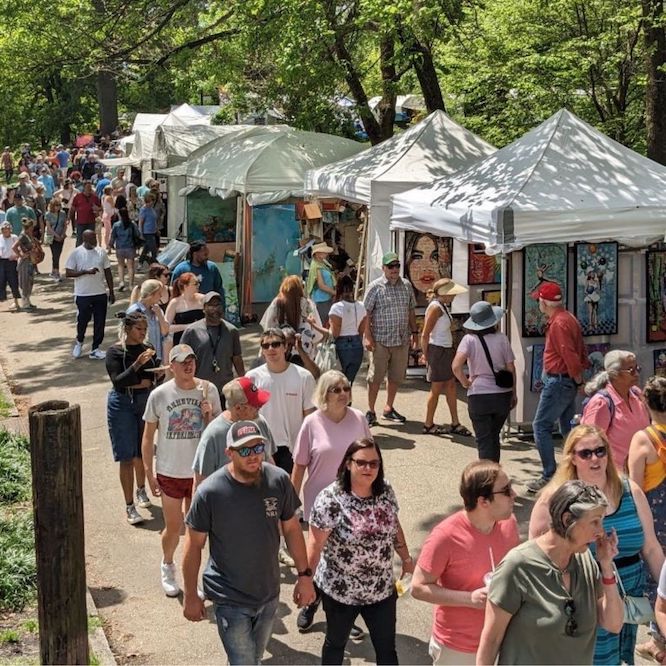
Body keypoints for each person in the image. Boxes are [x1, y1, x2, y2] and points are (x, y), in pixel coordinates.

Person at [182, 420, 316, 664]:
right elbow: (193, 545)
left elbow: (292, 529)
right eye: (244, 450)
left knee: (250, 658)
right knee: (244, 661)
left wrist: (304, 576)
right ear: (229, 453)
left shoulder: (278, 480)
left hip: (268, 593)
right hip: (228, 597)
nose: (253, 455)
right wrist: (190, 594)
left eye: (257, 448)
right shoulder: (209, 492)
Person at [528, 424, 664, 664]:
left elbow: (651, 548)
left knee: (617, 658)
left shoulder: (630, 490)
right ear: (572, 458)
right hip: (583, 595)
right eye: (586, 453)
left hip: (627, 593)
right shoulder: (553, 499)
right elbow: (536, 557)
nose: (595, 458)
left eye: (600, 451)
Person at [477, 480, 624, 665]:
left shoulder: (587, 563)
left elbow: (614, 624)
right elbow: (491, 640)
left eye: (601, 522)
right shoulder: (518, 566)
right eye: (594, 522)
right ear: (567, 520)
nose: (600, 532)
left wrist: (606, 566)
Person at [307, 438, 414, 664]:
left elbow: (394, 524)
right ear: (348, 463)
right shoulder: (330, 498)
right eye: (362, 463)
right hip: (341, 591)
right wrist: (306, 581)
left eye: (374, 463)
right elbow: (315, 545)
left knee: (387, 650)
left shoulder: (385, 489)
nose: (368, 468)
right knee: (335, 644)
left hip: (381, 589)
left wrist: (405, 557)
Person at [411, 460, 519, 665]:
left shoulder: (509, 524)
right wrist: (470, 598)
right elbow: (418, 588)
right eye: (506, 491)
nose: (514, 494)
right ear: (483, 501)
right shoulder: (445, 537)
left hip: (503, 638)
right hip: (458, 647)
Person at [291, 370, 372, 633]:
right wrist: (291, 503)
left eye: (346, 388)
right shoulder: (311, 423)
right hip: (318, 501)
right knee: (317, 557)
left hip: (354, 501)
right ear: (324, 393)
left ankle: (342, 615)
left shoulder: (359, 418)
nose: (343, 393)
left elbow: (371, 459)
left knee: (345, 559)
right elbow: (300, 465)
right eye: (336, 389)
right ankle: (310, 604)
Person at [142, 343, 222, 596]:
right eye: (182, 361)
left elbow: (218, 433)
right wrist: (148, 472)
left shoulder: (208, 390)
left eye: (192, 360)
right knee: (174, 527)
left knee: (197, 530)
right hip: (170, 470)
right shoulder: (160, 395)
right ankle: (167, 563)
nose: (188, 365)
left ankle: (193, 577)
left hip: (200, 472)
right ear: (172, 366)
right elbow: (147, 437)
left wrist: (209, 415)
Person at [528, 282, 589, 493]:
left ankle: (550, 474)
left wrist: (579, 379)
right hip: (565, 380)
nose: (538, 303)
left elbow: (569, 353)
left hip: (560, 380)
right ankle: (578, 470)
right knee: (568, 428)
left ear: (544, 302)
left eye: (539, 300)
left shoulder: (559, 323)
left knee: (541, 426)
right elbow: (578, 350)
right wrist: (578, 378)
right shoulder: (567, 318)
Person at [105, 311, 161, 525]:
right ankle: (129, 505)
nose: (143, 333)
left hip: (144, 400)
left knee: (142, 451)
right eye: (139, 329)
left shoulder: (148, 349)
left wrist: (159, 373)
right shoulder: (115, 352)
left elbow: (151, 376)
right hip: (122, 403)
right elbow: (118, 381)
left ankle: (141, 490)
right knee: (126, 456)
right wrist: (137, 364)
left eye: (145, 330)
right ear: (127, 329)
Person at [628, 376, 666, 662]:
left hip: (656, 519)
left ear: (646, 404)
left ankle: (658, 640)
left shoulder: (644, 439)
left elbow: (634, 485)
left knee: (657, 578)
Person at [452, 301, 516, 461]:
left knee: (484, 440)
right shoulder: (502, 338)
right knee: (494, 437)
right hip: (502, 394)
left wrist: (465, 382)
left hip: (479, 395)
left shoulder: (469, 340)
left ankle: (487, 478)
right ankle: (495, 472)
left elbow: (455, 366)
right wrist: (513, 393)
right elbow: (511, 368)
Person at [247, 328, 316, 476]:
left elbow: (310, 417)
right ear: (262, 350)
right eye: (266, 346)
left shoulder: (304, 377)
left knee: (287, 494)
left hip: (291, 447)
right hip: (260, 447)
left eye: (276, 344)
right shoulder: (252, 378)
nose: (271, 349)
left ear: (285, 347)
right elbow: (246, 415)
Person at [192, 377, 276, 490]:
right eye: (254, 405)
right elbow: (200, 481)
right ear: (238, 408)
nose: (259, 407)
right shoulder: (214, 434)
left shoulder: (260, 422)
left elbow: (269, 460)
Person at [363, 251, 417, 427]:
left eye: (397, 266)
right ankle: (371, 411)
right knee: (375, 378)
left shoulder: (407, 286)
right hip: (380, 339)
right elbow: (366, 314)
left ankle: (389, 407)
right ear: (383, 268)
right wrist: (367, 336)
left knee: (396, 377)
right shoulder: (375, 287)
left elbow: (411, 310)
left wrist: (415, 333)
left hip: (401, 339)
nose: (394, 269)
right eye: (390, 266)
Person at [581, 350, 649, 469]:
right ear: (614, 374)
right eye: (631, 370)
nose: (637, 374)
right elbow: (589, 445)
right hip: (615, 477)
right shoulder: (601, 404)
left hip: (642, 473)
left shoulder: (637, 394)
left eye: (637, 368)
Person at [421, 278, 470, 436]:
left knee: (450, 386)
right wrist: (426, 355)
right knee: (436, 389)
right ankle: (428, 423)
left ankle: (455, 422)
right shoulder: (435, 308)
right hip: (438, 350)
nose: (453, 296)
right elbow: (425, 334)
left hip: (444, 349)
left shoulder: (442, 306)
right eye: (451, 293)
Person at [180, 291, 244, 401]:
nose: (215, 309)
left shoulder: (231, 331)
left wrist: (243, 381)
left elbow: (237, 358)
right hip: (199, 390)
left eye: (218, 305)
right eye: (211, 305)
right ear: (204, 309)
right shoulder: (192, 331)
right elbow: (181, 359)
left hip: (225, 390)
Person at [65, 228, 115, 360]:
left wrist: (111, 291)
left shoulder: (101, 252)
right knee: (83, 320)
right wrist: (85, 271)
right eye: (92, 238)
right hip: (83, 294)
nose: (95, 240)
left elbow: (108, 272)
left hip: (99, 293)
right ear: (85, 239)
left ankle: (96, 348)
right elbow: (68, 273)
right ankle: (79, 342)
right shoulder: (76, 253)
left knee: (100, 322)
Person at [260, 275, 322, 360]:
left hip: (281, 351)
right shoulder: (308, 304)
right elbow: (317, 333)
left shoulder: (277, 303)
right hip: (305, 353)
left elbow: (268, 327)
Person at [328, 275, 367, 386]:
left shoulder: (336, 308)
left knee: (338, 382)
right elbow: (361, 330)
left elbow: (335, 333)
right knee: (349, 382)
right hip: (357, 345)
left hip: (342, 345)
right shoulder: (361, 306)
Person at [126, 279, 170, 364]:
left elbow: (165, 332)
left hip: (157, 357)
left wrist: (159, 315)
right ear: (151, 294)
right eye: (159, 293)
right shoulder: (134, 311)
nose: (161, 296)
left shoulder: (157, 309)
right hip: (139, 358)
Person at [405, 233, 452, 306]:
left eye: (435, 256)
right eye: (417, 257)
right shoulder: (435, 308)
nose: (426, 267)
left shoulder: (440, 304)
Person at [165, 272, 205, 346]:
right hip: (182, 341)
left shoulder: (203, 299)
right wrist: (188, 326)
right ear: (185, 286)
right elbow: (167, 327)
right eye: (195, 283)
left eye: (198, 283)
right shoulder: (174, 303)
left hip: (201, 340)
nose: (198, 285)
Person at [306, 242, 336, 324]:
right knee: (322, 323)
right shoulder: (317, 266)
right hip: (321, 300)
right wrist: (335, 292)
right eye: (324, 252)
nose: (326, 253)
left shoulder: (322, 263)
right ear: (318, 254)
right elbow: (321, 285)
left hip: (326, 298)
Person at [109, 207, 139, 292]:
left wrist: (110, 245)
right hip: (130, 247)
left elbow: (113, 236)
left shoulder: (116, 225)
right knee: (130, 267)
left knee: (120, 265)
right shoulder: (132, 224)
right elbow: (137, 234)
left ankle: (121, 282)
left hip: (120, 248)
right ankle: (131, 285)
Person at [11, 218, 38, 310]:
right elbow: (14, 247)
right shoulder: (22, 236)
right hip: (25, 261)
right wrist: (21, 256)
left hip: (31, 261)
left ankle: (28, 300)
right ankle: (25, 302)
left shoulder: (29, 236)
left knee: (30, 280)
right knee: (25, 281)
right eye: (31, 227)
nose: (32, 228)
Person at [69, 181, 101, 246]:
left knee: (91, 240)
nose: (89, 189)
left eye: (90, 187)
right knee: (79, 240)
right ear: (84, 188)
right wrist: (68, 218)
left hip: (91, 222)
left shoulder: (95, 198)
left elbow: (101, 208)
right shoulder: (78, 197)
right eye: (88, 187)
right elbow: (72, 208)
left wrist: (98, 209)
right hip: (80, 222)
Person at [44, 198, 67, 281]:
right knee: (55, 254)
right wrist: (56, 236)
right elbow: (49, 228)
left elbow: (65, 225)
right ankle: (56, 272)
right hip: (52, 237)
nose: (58, 207)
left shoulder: (63, 213)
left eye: (59, 205)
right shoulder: (48, 214)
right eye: (56, 205)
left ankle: (54, 270)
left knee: (58, 253)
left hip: (61, 236)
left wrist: (63, 234)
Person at [0, 221, 20, 311]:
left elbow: (19, 249)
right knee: (1, 281)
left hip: (11, 261)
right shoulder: (0, 238)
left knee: (13, 281)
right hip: (1, 261)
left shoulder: (14, 237)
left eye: (7, 229)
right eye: (3, 230)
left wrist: (16, 256)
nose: (5, 231)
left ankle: (16, 302)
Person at [137, 192, 159, 267]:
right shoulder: (144, 210)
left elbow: (154, 220)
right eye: (150, 201)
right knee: (153, 249)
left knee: (146, 248)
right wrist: (141, 233)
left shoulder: (152, 209)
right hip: (147, 232)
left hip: (153, 231)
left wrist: (157, 229)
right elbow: (141, 222)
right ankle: (154, 263)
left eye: (152, 201)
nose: (152, 203)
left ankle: (140, 262)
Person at [100, 185, 115, 251]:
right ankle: (108, 245)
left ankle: (107, 245)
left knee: (107, 231)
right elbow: (113, 205)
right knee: (108, 232)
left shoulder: (103, 197)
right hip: (108, 215)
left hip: (105, 214)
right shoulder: (109, 197)